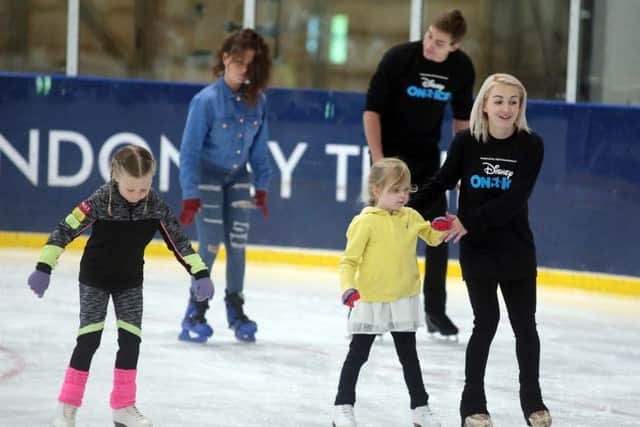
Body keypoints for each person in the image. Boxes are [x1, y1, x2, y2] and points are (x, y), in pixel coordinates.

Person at [27, 145, 214, 427]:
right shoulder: (100, 200)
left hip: (129, 281)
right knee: (89, 340)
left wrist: (199, 272)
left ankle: (123, 408)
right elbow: (64, 229)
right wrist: (44, 266)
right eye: (131, 190)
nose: (138, 196)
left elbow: (180, 243)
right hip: (95, 278)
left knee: (130, 342)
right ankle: (67, 408)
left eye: (144, 188)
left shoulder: (155, 207)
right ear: (115, 177)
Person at [411, 73, 552, 427]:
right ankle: (472, 403)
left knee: (525, 326)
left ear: (520, 107)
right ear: (485, 106)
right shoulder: (465, 142)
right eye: (499, 101)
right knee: (485, 322)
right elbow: (442, 182)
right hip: (478, 250)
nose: (506, 108)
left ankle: (532, 402)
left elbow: (515, 199)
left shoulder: (531, 145)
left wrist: (467, 220)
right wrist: (404, 207)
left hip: (516, 247)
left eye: (513, 102)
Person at [363, 9, 475, 339]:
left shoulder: (461, 68)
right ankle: (375, 309)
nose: (429, 45)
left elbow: (461, 121)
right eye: (428, 36)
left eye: (439, 43)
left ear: (454, 46)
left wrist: (458, 165)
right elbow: (372, 112)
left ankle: (435, 311)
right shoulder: (400, 59)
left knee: (437, 233)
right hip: (392, 159)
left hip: (427, 162)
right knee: (384, 236)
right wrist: (379, 161)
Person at [331, 158, 452, 427]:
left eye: (406, 189)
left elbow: (430, 237)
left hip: (402, 297)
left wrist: (440, 229)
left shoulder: (411, 216)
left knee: (409, 356)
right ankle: (342, 406)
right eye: (395, 190)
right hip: (370, 299)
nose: (403, 196)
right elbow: (348, 261)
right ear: (376, 191)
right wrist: (348, 287)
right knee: (358, 355)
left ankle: (420, 408)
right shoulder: (365, 223)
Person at [177, 28, 273, 343]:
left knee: (238, 244)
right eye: (239, 61)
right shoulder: (205, 101)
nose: (244, 69)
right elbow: (189, 151)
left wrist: (262, 185)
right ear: (225, 59)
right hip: (207, 176)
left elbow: (260, 148)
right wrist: (190, 194)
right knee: (210, 244)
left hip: (238, 179)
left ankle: (235, 308)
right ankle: (196, 309)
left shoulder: (257, 101)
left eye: (250, 63)